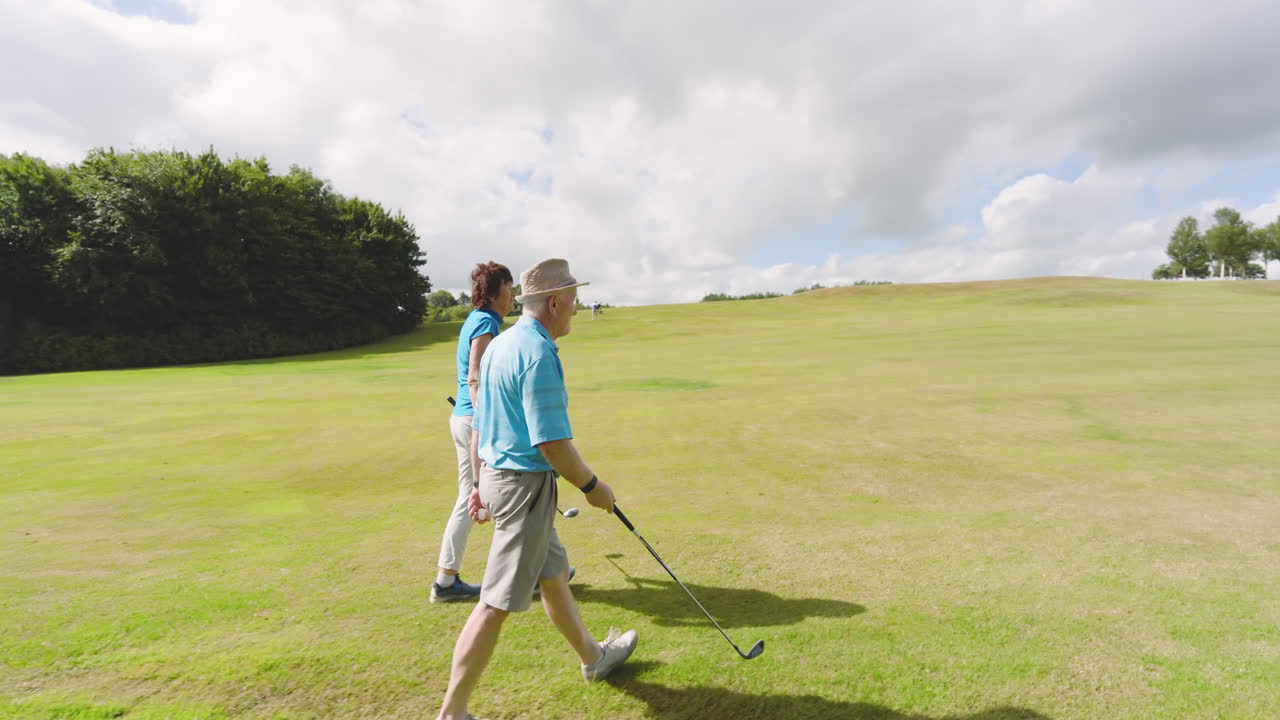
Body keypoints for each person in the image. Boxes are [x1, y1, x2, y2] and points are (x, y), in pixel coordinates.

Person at [436, 259, 637, 720]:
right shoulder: (538, 353)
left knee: (552, 574)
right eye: (571, 298)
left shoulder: (504, 344)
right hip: (523, 489)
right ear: (552, 303)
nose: (575, 307)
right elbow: (551, 442)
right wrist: (593, 486)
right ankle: (452, 712)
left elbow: (482, 422)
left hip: (502, 480)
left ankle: (593, 657)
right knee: (494, 604)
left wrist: (480, 481)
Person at [431, 262, 514, 603]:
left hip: (464, 418)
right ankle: (536, 569)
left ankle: (446, 581)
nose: (514, 295)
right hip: (474, 421)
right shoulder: (484, 322)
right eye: (510, 287)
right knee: (507, 491)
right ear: (495, 292)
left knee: (473, 495)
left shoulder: (482, 320)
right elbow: (476, 374)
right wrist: (487, 420)